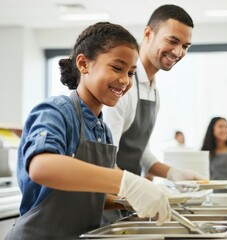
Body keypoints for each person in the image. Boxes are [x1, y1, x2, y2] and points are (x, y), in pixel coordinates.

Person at [5, 22, 170, 240]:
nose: (125, 81)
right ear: (84, 64)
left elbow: (87, 197)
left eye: (131, 73)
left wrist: (129, 198)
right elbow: (42, 167)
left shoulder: (103, 130)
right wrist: (125, 182)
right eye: (117, 68)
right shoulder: (56, 111)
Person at [103, 4, 202, 182]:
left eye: (185, 46)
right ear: (148, 34)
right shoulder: (122, 87)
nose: (178, 52)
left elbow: (141, 152)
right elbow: (106, 159)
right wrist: (142, 189)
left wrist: (174, 174)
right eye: (172, 41)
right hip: (108, 197)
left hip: (126, 201)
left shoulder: (154, 93)